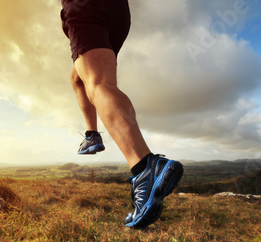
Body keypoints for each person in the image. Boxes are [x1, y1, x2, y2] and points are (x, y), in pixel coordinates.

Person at [60, 0, 183, 228]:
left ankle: (144, 166)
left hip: (85, 5)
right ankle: (92, 135)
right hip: (117, 11)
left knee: (99, 85)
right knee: (80, 78)